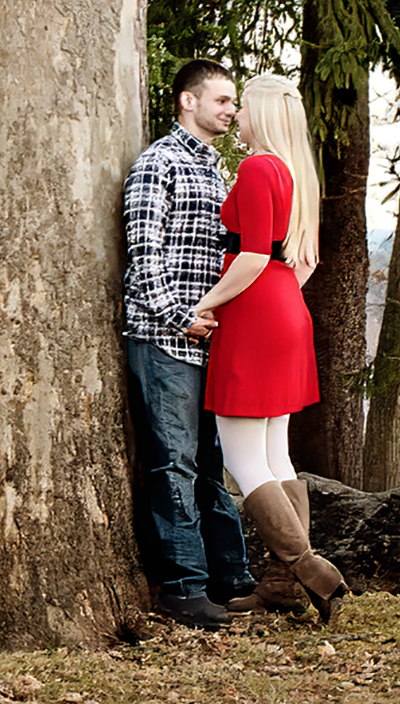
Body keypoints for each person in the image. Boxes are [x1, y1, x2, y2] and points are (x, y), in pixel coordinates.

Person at [191, 73, 349, 623]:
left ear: (263, 113)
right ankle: (283, 587)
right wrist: (275, 302)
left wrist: (205, 306)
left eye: (244, 106)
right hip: (287, 310)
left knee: (240, 457)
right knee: (275, 453)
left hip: (256, 314)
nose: (238, 115)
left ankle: (310, 568)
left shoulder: (258, 167)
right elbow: (300, 262)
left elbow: (253, 256)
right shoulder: (297, 173)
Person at [123, 59, 256, 629]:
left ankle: (232, 579)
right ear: (188, 101)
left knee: (209, 464)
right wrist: (179, 316)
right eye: (222, 100)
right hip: (163, 338)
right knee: (173, 465)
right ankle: (182, 589)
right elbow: (142, 253)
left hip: (206, 344)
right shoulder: (159, 163)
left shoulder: (216, 170)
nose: (232, 110)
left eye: (234, 102)